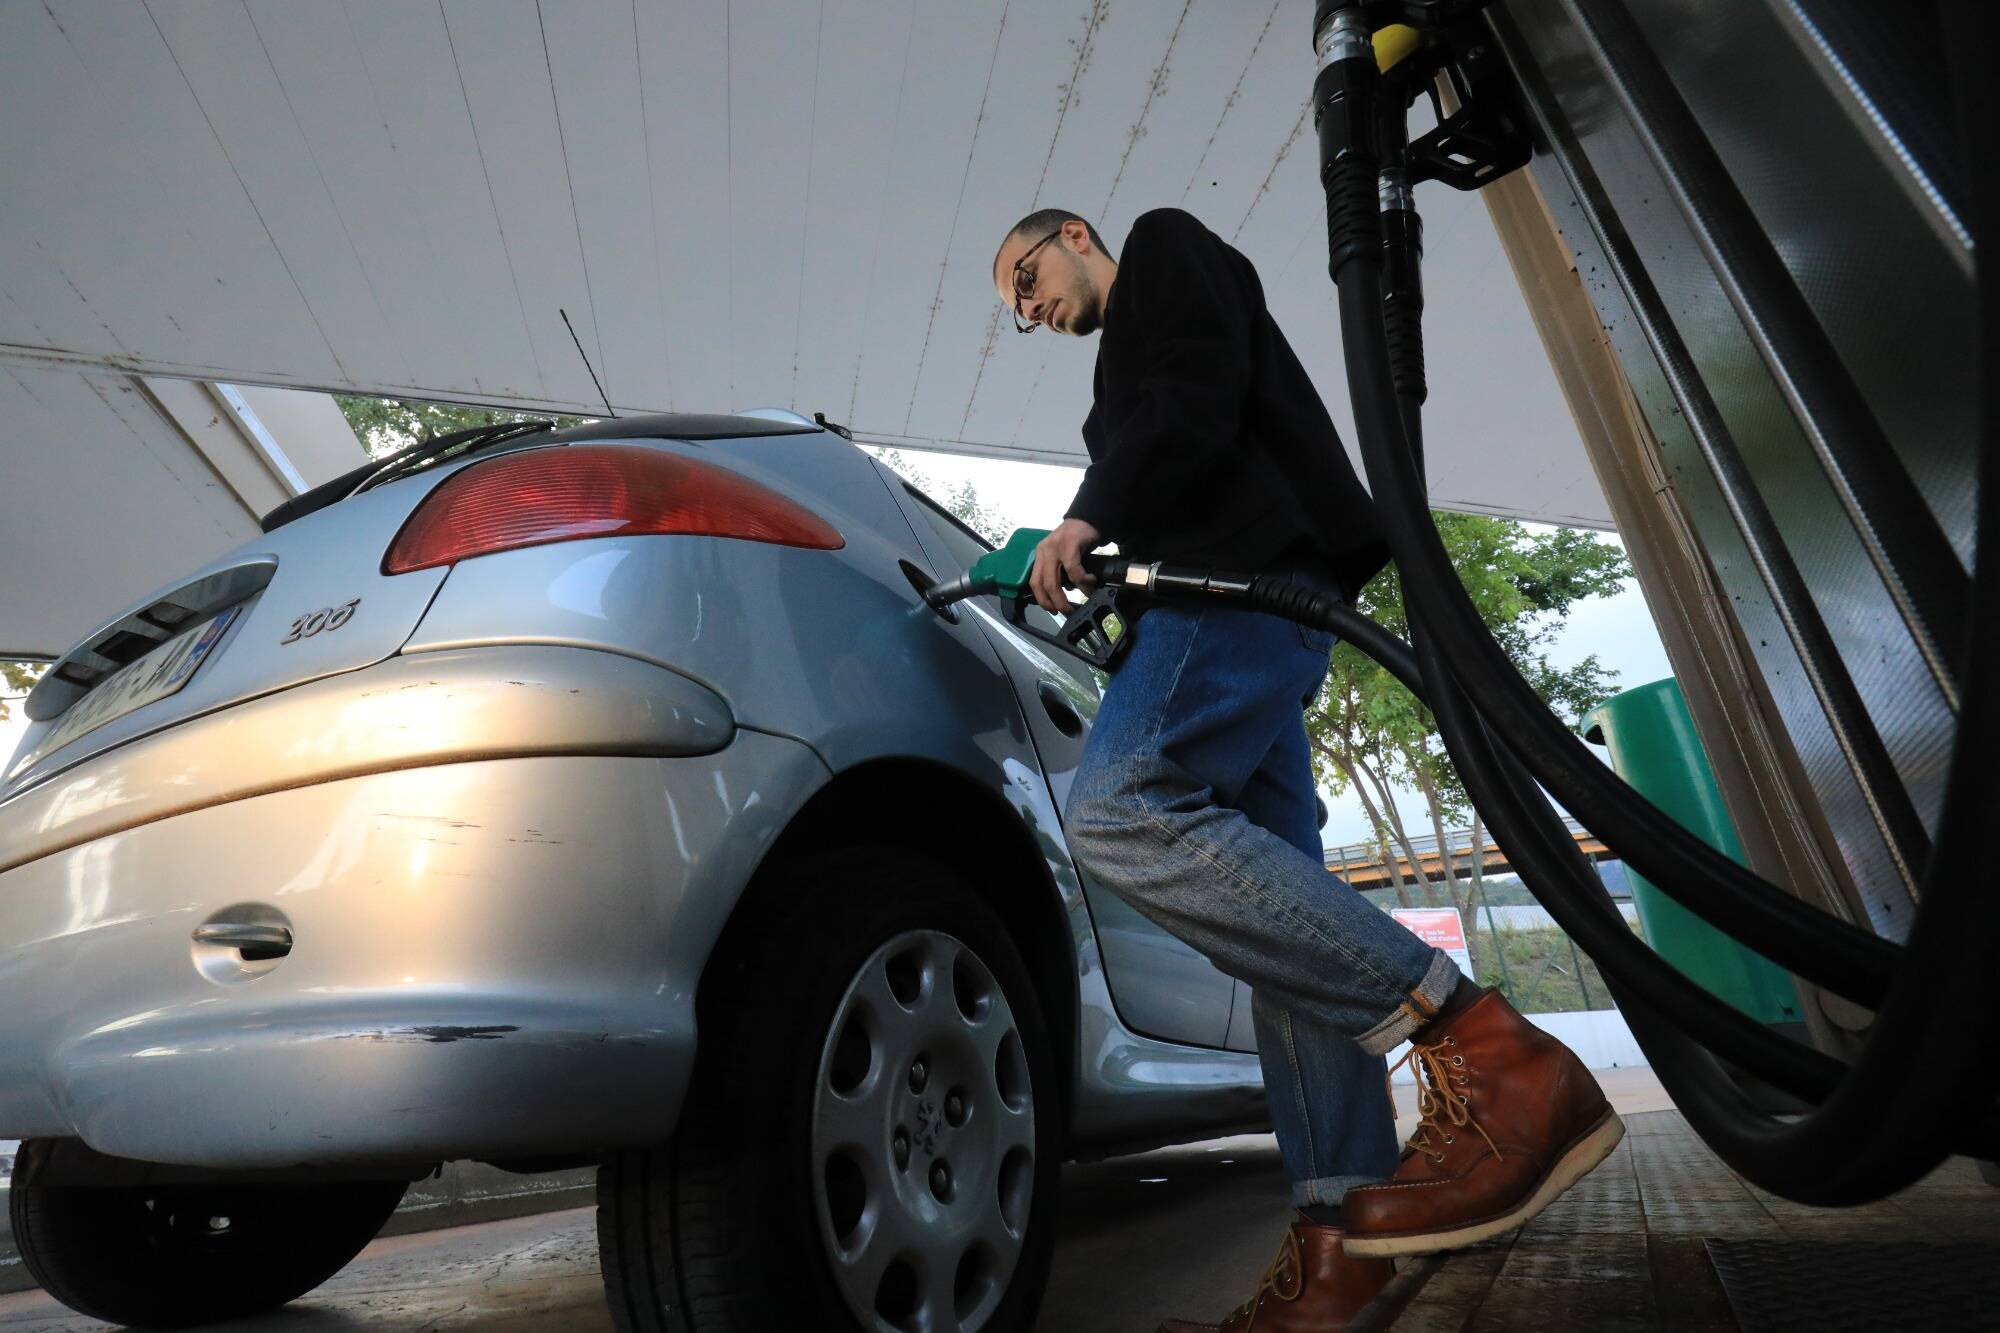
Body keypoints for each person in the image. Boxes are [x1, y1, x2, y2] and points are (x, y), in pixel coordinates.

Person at [990, 206, 1624, 1332]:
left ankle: (1489, 1050)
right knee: (1284, 929)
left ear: (1076, 235)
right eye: (1016, 308)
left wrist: (1084, 517)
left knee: (1121, 809)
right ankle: (1341, 1241)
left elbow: (1192, 395)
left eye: (1025, 278)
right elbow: (1174, 436)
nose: (1028, 309)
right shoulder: (1113, 367)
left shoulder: (1163, 247)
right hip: (1238, 610)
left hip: (1230, 594)